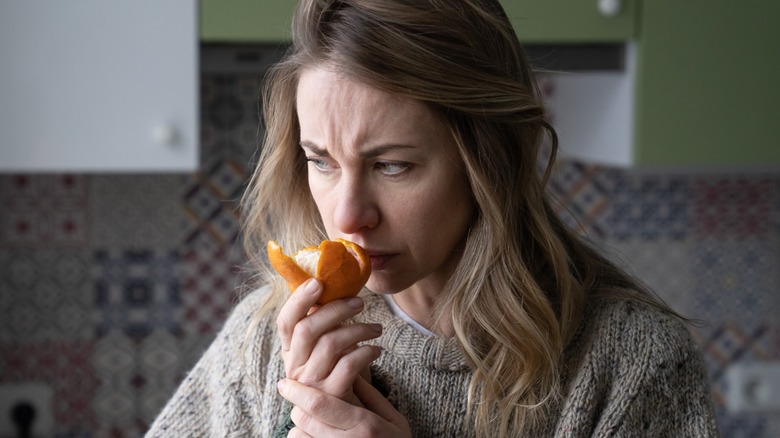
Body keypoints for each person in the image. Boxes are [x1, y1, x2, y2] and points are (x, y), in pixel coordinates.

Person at [146, 0, 719, 436]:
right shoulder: (265, 340)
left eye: (392, 166)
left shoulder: (630, 361)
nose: (348, 216)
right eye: (320, 162)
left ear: (488, 161)